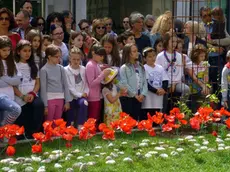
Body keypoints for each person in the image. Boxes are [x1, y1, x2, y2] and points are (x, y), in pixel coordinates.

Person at [14, 40, 44, 138]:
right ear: (18, 52)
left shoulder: (34, 65)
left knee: (39, 105)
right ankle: (23, 135)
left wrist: (32, 94)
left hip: (32, 95)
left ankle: (33, 133)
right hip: (19, 97)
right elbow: (13, 86)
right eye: (25, 51)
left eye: (29, 51)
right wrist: (22, 96)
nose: (27, 53)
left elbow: (37, 83)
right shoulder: (14, 66)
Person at [156, 33, 190, 112]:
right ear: (166, 42)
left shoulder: (178, 55)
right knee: (163, 94)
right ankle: (161, 115)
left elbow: (180, 71)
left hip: (176, 82)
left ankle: (181, 110)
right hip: (164, 83)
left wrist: (174, 83)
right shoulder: (160, 56)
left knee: (186, 89)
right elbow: (159, 72)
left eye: (175, 42)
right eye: (172, 41)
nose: (174, 44)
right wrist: (168, 83)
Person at [40, 45, 71, 121]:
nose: (59, 59)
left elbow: (65, 85)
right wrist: (45, 106)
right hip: (49, 99)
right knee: (49, 122)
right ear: (49, 57)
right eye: (56, 57)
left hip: (60, 98)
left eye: (59, 57)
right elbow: (43, 89)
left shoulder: (61, 68)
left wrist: (67, 101)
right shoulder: (44, 70)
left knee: (58, 122)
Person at [120, 43, 148, 120]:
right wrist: (134, 95)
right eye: (134, 51)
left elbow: (144, 81)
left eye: (137, 51)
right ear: (128, 54)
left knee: (136, 118)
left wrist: (143, 94)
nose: (137, 53)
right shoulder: (124, 68)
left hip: (139, 97)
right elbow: (124, 83)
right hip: (128, 98)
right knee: (128, 120)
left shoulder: (141, 66)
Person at [85, 43, 110, 124]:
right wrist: (103, 74)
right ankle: (90, 134)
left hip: (97, 96)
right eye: (100, 55)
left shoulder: (96, 64)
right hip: (92, 97)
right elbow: (91, 83)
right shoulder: (90, 65)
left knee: (96, 117)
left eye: (103, 56)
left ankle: (93, 133)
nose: (102, 57)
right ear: (93, 53)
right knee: (93, 118)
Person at [0, 36, 22, 126]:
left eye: (8, 50)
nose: (7, 53)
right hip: (1, 97)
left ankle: (3, 131)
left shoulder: (12, 62)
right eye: (4, 50)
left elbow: (19, 80)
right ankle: (3, 128)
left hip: (10, 96)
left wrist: (3, 78)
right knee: (16, 109)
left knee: (5, 137)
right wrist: (11, 80)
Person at [65, 48, 89, 128]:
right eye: (74, 59)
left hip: (82, 96)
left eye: (78, 59)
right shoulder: (65, 70)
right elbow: (69, 87)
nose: (76, 61)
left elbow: (86, 83)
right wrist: (79, 94)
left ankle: (81, 126)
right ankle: (70, 128)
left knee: (84, 103)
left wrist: (86, 92)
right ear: (69, 58)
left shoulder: (84, 69)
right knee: (70, 114)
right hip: (71, 97)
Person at [141, 47, 168, 119]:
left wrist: (163, 89)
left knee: (157, 118)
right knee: (148, 117)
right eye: (149, 56)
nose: (152, 58)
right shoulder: (144, 68)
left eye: (153, 55)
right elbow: (145, 83)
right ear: (144, 58)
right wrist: (156, 91)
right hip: (148, 99)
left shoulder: (160, 68)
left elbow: (165, 80)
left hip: (158, 98)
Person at [186, 44, 210, 112]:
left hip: (202, 85)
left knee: (207, 94)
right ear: (196, 55)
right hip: (193, 85)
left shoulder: (205, 64)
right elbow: (194, 78)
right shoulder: (190, 65)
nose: (203, 58)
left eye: (204, 56)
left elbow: (206, 75)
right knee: (194, 101)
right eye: (201, 56)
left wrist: (205, 85)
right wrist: (202, 86)